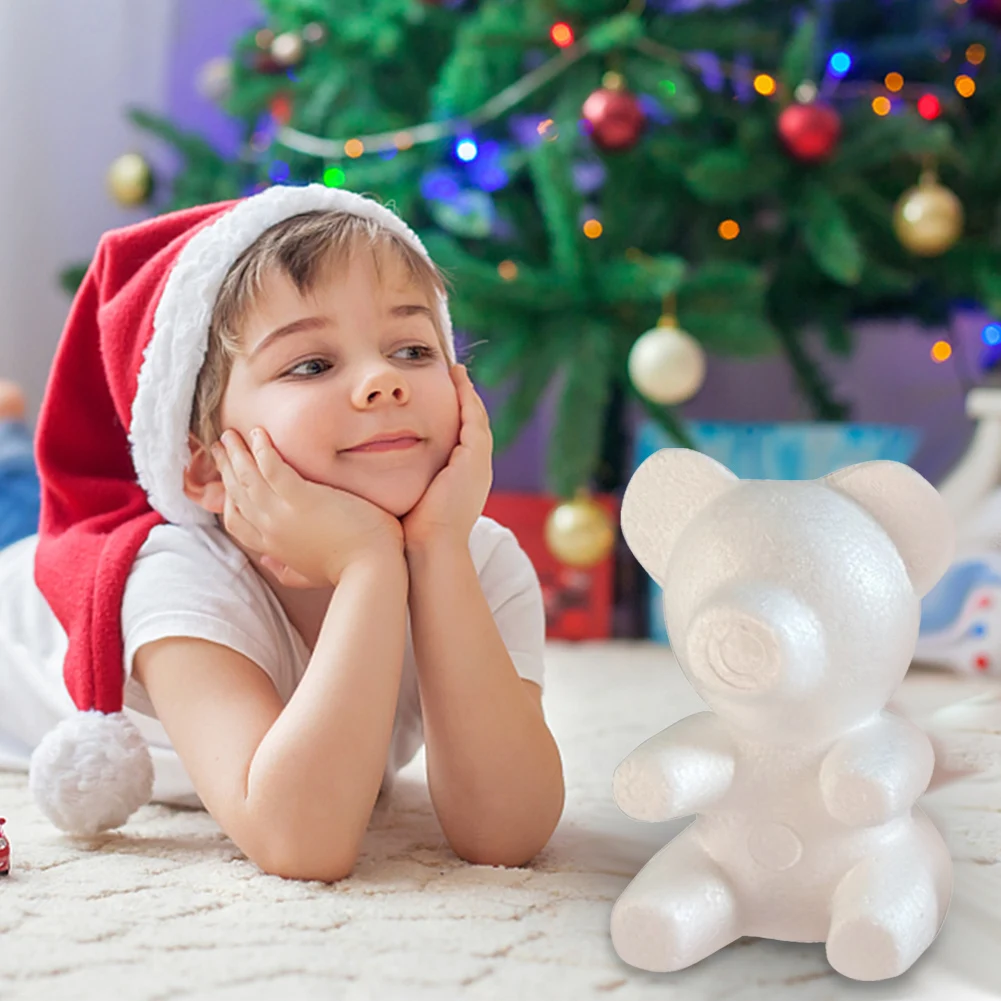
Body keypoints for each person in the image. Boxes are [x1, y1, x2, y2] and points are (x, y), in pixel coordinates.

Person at [0, 184, 564, 882]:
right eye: (312, 364)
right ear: (204, 467)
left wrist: (435, 551)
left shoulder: (473, 557)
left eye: (413, 349)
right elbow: (301, 839)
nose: (381, 382)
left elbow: (507, 831)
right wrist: (368, 566)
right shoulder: (176, 575)